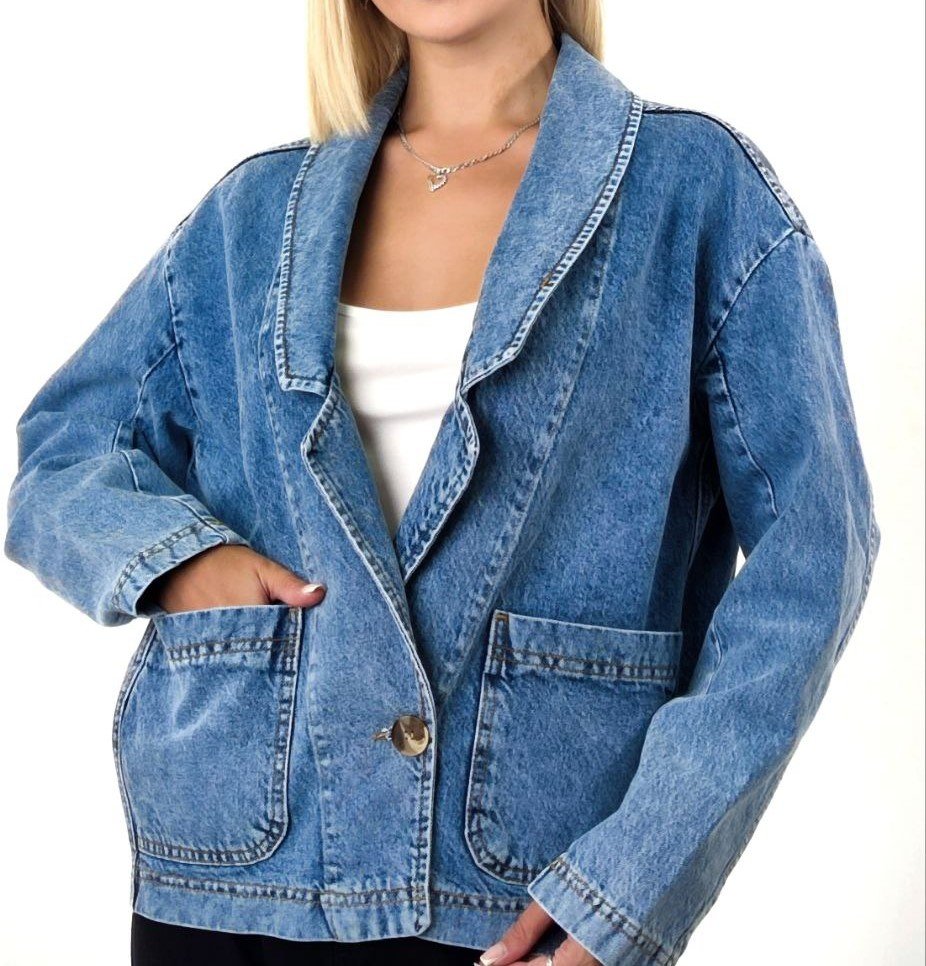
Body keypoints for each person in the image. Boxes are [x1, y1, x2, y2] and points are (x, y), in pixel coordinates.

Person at [4, 1, 881, 965]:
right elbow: (66, 452)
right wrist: (181, 563)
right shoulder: (253, 213)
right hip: (232, 882)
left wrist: (632, 882)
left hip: (528, 900)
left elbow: (813, 556)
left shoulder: (696, 189)